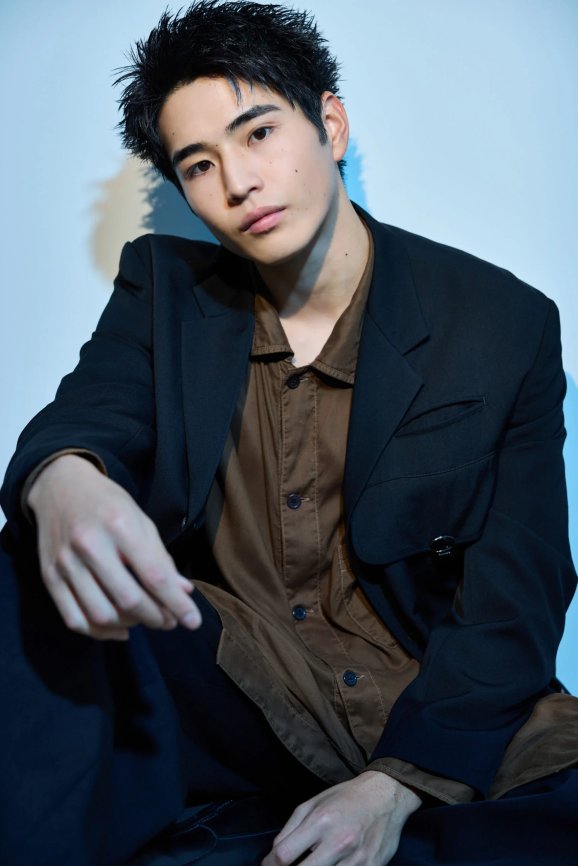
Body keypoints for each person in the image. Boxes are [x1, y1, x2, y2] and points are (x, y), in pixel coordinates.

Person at [1, 2, 577, 864]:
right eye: (200, 164)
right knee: (25, 565)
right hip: (242, 689)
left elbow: (518, 593)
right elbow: (91, 415)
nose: (237, 182)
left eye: (259, 133)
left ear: (330, 126)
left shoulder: (500, 322)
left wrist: (397, 784)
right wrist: (64, 483)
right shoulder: (164, 293)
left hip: (432, 709)